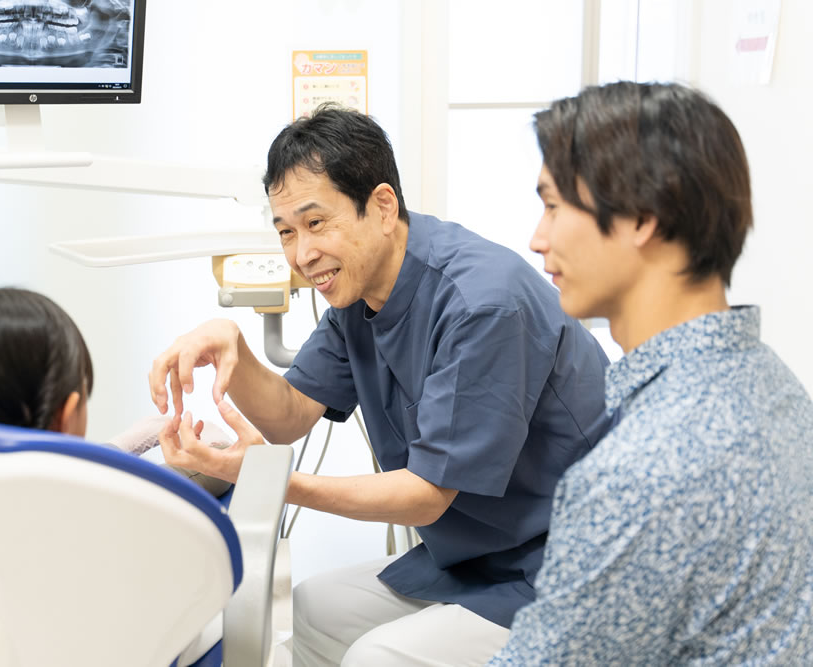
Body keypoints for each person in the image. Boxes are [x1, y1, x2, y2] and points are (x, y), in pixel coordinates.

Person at [149, 104, 612, 665]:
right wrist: (234, 347)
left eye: (317, 223)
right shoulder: (360, 289)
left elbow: (424, 497)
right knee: (314, 608)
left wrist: (271, 479)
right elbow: (291, 413)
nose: (302, 255)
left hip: (565, 572)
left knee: (378, 656)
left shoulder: (480, 304)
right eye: (286, 232)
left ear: (383, 206)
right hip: (477, 560)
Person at [488, 82, 813, 664]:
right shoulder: (777, 386)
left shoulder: (637, 474)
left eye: (554, 205)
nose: (538, 238)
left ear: (643, 215)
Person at [0, 287, 232, 497]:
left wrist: (120, 447)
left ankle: (115, 448)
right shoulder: (114, 504)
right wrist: (214, 452)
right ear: (66, 417)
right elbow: (218, 465)